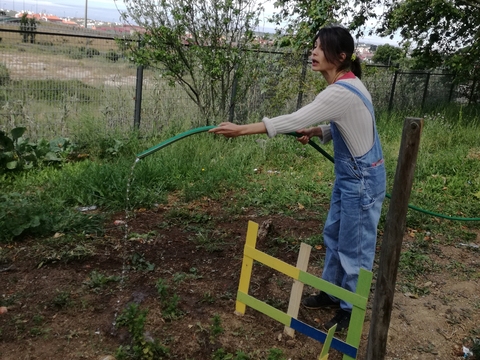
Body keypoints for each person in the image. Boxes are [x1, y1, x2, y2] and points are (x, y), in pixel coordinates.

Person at [209, 25, 386, 332]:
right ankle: (332, 292)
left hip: (362, 181)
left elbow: (296, 118)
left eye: (321, 48)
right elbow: (350, 124)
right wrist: (320, 131)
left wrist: (241, 130)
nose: (314, 52)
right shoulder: (349, 84)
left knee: (354, 246)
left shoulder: (341, 91)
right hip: (351, 177)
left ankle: (350, 309)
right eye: (314, 46)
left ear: (340, 57)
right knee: (334, 235)